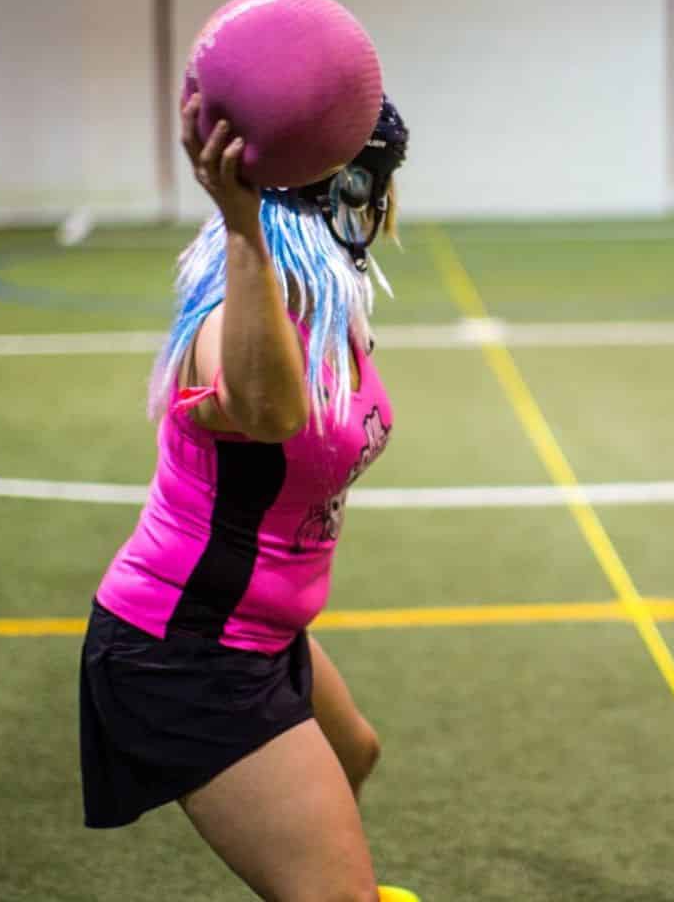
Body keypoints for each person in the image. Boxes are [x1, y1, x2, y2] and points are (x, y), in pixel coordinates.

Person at [79, 92, 419, 902]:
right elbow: (271, 412)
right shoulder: (233, 321)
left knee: (353, 752)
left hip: (258, 628)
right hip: (186, 648)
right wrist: (241, 224)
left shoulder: (330, 303)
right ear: (342, 193)